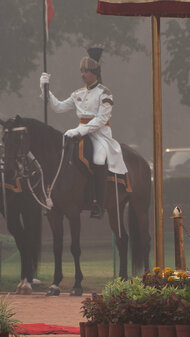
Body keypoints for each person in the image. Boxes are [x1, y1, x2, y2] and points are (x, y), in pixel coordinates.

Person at [38, 45, 128, 219]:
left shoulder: (105, 93)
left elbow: (101, 120)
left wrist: (80, 130)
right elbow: (58, 107)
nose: (82, 74)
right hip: (78, 132)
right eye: (82, 71)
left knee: (98, 158)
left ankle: (99, 204)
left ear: (95, 73)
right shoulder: (77, 93)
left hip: (100, 134)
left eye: (86, 71)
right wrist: (45, 89)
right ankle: (55, 195)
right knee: (60, 155)